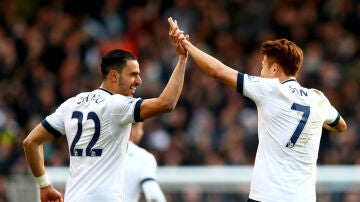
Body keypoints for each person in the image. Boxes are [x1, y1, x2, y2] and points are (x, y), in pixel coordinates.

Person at [168, 17, 347, 202]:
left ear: (275, 69)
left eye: (263, 67)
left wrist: (186, 46)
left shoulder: (270, 89)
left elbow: (217, 71)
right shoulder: (318, 98)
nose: (260, 72)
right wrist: (314, 122)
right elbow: (341, 126)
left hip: (268, 196)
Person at [23, 22, 188, 202]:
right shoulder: (117, 105)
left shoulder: (71, 104)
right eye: (133, 74)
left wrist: (44, 185)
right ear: (114, 76)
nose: (139, 80)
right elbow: (167, 103)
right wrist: (182, 59)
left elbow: (30, 142)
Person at [124, 122, 166, 202]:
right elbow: (153, 196)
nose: (141, 133)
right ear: (132, 129)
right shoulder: (143, 157)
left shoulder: (98, 152)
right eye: (140, 128)